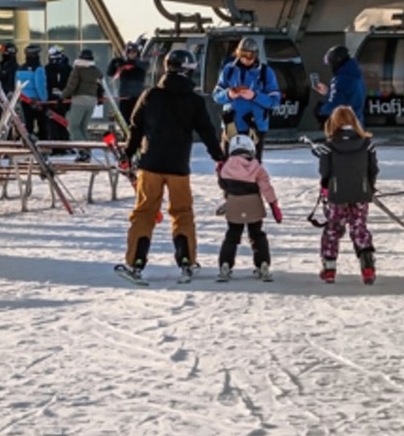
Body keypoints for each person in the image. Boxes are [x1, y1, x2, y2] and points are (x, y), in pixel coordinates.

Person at [115, 48, 227, 285]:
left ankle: (135, 263)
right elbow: (207, 131)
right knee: (182, 213)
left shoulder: (150, 95)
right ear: (189, 71)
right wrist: (219, 156)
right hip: (178, 167)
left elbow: (136, 127)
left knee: (144, 213)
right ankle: (186, 261)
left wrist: (127, 154)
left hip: (150, 165)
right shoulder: (194, 100)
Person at [312, 105, 379, 283]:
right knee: (359, 228)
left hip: (337, 194)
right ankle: (367, 267)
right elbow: (373, 169)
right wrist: (370, 188)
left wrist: (325, 187)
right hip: (360, 192)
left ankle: (329, 268)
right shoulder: (368, 144)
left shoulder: (328, 146)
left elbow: (325, 172)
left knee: (333, 229)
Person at [214, 132, 281, 282]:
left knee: (232, 236)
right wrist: (273, 204)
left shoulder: (227, 167)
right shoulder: (257, 167)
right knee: (257, 235)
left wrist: (219, 173)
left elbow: (223, 185)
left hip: (235, 205)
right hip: (254, 205)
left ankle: (225, 264)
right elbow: (266, 188)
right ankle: (263, 263)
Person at [212, 35, 281, 157]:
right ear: (238, 53)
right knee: (229, 163)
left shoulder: (265, 72)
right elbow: (216, 95)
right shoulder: (229, 70)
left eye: (251, 56)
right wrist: (228, 94)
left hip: (254, 126)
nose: (247, 59)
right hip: (232, 125)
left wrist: (254, 96)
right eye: (243, 55)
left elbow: (274, 101)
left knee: (252, 164)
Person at [62, 49, 104, 159]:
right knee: (83, 127)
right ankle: (88, 150)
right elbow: (100, 86)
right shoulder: (96, 71)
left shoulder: (78, 69)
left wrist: (62, 97)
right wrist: (100, 97)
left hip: (79, 100)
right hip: (92, 101)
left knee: (73, 126)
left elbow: (71, 86)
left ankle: (82, 150)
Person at [313, 44, 365, 124]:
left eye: (331, 63)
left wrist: (320, 109)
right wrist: (328, 92)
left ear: (337, 61)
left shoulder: (341, 80)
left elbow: (335, 106)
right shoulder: (356, 76)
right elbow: (347, 97)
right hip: (357, 124)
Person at [15, 45, 50, 139]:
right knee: (42, 125)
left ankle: (27, 141)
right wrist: (44, 100)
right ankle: (43, 143)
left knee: (28, 124)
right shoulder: (38, 68)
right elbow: (40, 86)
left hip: (24, 100)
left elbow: (17, 85)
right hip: (36, 101)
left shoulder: (20, 69)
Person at [107, 43, 148, 125]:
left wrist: (128, 63)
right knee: (125, 120)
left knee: (137, 120)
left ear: (137, 53)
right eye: (130, 52)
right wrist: (114, 62)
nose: (132, 54)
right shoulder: (123, 64)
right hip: (125, 96)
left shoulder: (142, 63)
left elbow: (143, 65)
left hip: (137, 97)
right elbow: (110, 73)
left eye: (134, 52)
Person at [44, 47, 72, 141]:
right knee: (52, 122)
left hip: (63, 101)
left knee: (61, 122)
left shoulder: (67, 69)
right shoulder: (48, 69)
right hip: (52, 101)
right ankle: (57, 143)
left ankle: (62, 142)